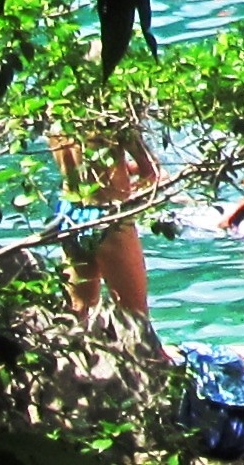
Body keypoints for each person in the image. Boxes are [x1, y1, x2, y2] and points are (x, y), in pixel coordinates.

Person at [49, 114, 161, 332]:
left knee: (78, 313)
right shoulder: (110, 115)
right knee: (135, 318)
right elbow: (151, 172)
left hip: (70, 215)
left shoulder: (57, 117)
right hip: (108, 216)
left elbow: (87, 169)